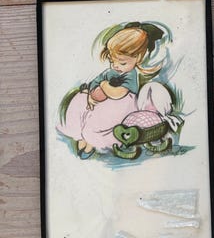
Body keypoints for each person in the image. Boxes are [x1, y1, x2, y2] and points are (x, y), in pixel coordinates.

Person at [57, 24, 164, 159]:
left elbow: (118, 93)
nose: (116, 66)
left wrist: (104, 85)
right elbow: (94, 82)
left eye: (122, 63)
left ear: (137, 58)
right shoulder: (111, 71)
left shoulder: (131, 75)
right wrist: (91, 96)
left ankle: (92, 142)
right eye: (112, 61)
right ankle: (79, 136)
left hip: (122, 103)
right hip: (104, 98)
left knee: (101, 116)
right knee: (80, 98)